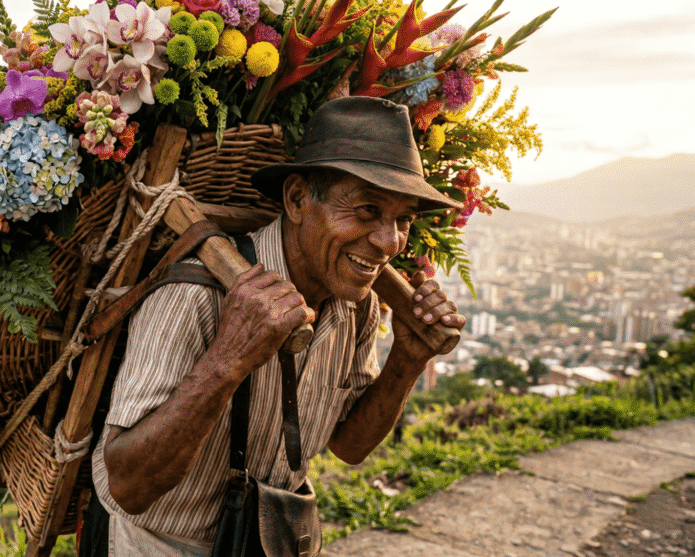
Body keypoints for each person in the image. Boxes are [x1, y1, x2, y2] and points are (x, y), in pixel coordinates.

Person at [86, 96, 467, 555]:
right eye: (367, 209)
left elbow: (348, 445)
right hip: (154, 543)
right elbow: (127, 484)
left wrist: (406, 361)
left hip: (262, 542)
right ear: (297, 199)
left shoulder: (357, 305)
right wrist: (229, 358)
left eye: (402, 219)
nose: (389, 242)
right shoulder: (198, 294)